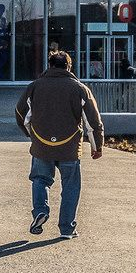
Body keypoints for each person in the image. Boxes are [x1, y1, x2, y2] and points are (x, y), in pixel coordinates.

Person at [14, 51, 104, 240]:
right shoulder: (79, 88)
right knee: (71, 186)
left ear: (49, 65)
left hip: (41, 146)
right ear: (69, 67)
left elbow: (21, 114)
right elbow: (93, 122)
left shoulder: (35, 87)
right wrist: (97, 147)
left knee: (40, 179)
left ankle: (40, 210)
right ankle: (66, 228)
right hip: (69, 147)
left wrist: (31, 135)